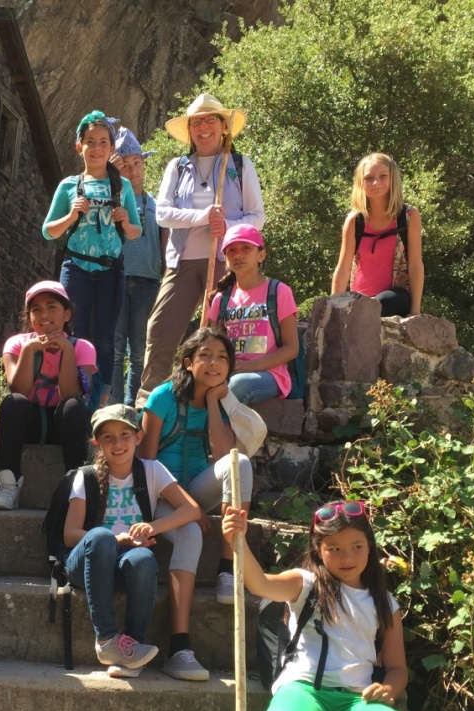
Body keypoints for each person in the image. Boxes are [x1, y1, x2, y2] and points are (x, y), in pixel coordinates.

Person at [222, 501, 423, 711]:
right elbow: (260, 584)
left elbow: (398, 668)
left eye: (357, 546)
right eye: (335, 548)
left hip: (357, 705)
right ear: (318, 550)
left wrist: (389, 688)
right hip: (304, 694)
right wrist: (239, 540)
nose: (347, 557)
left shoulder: (385, 603)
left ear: (370, 547)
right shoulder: (305, 584)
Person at [139, 327, 254, 681]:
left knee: (240, 464)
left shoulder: (221, 402)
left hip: (194, 489)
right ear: (188, 363)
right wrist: (189, 507)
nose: (215, 362)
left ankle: (226, 568)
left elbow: (223, 455)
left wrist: (216, 402)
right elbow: (145, 464)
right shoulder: (162, 398)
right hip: (159, 493)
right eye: (205, 355)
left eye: (222, 357)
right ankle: (179, 648)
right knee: (190, 533)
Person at [137, 93, 265, 408]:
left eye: (211, 120)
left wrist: (228, 225)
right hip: (182, 262)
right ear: (190, 130)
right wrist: (202, 217)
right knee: (160, 327)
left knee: (221, 333)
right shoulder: (177, 167)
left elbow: (257, 218)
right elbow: (163, 214)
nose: (204, 127)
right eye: (197, 122)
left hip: (225, 263)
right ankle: (149, 404)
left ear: (223, 126)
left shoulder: (239, 165)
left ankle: (217, 401)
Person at [64, 404, 202, 676]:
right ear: (97, 443)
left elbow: (192, 510)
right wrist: (119, 539)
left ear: (138, 437)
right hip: (88, 566)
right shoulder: (86, 476)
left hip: (124, 566)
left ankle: (130, 647)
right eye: (108, 438)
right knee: (102, 536)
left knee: (143, 558)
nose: (118, 444)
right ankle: (106, 639)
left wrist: (151, 528)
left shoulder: (151, 470)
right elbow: (70, 534)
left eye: (125, 435)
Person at [43, 111, 142, 410]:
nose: (97, 148)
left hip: (111, 271)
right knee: (74, 332)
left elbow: (136, 232)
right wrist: (72, 214)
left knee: (106, 338)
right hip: (76, 268)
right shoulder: (68, 186)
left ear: (112, 149)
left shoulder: (122, 187)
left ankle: (101, 401)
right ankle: (73, 396)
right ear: (79, 146)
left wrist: (126, 220)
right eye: (90, 142)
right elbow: (49, 231)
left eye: (103, 142)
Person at [0, 280, 96, 510]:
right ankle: (9, 483)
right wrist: (30, 350)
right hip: (29, 422)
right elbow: (18, 390)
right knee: (12, 403)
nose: (44, 314)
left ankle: (76, 489)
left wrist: (66, 350)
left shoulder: (82, 347)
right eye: (36, 309)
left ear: (66, 314)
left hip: (62, 425)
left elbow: (71, 393)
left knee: (73, 407)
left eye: (52, 307)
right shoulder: (17, 344)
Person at [207, 224, 300, 405]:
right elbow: (211, 345)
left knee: (238, 385)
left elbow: (291, 348)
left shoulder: (279, 292)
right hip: (227, 371)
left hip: (269, 375)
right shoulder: (221, 299)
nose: (238, 254)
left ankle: (216, 433)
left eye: (246, 248)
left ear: (261, 255)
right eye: (231, 250)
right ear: (225, 258)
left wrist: (250, 367)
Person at [331, 152, 424, 317]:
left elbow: (416, 265)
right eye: (369, 178)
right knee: (364, 307)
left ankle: (365, 311)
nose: (376, 183)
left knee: (386, 300)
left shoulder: (409, 216)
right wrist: (333, 310)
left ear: (392, 178)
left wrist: (415, 312)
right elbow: (343, 269)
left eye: (383, 176)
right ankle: (361, 311)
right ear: (361, 183)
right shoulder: (355, 220)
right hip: (360, 299)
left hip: (395, 298)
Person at [110, 124, 163, 406]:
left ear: (144, 164)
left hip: (149, 280)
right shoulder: (111, 202)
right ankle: (116, 405)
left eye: (137, 163)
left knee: (141, 347)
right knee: (117, 346)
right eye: (125, 165)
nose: (132, 170)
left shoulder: (156, 203)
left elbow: (165, 243)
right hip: (117, 278)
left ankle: (134, 405)